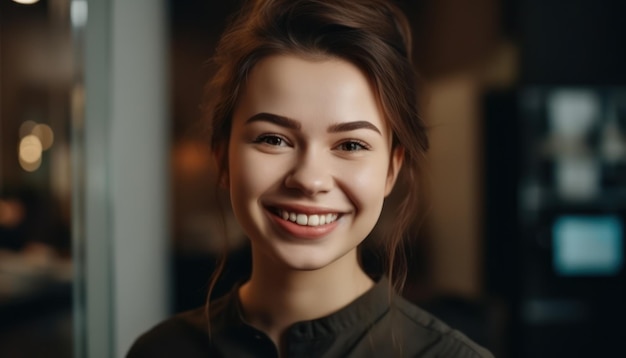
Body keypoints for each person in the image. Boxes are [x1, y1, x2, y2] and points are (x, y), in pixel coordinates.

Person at [128, 0, 494, 357]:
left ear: (391, 170)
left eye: (350, 144)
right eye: (273, 139)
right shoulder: (160, 351)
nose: (309, 179)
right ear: (222, 158)